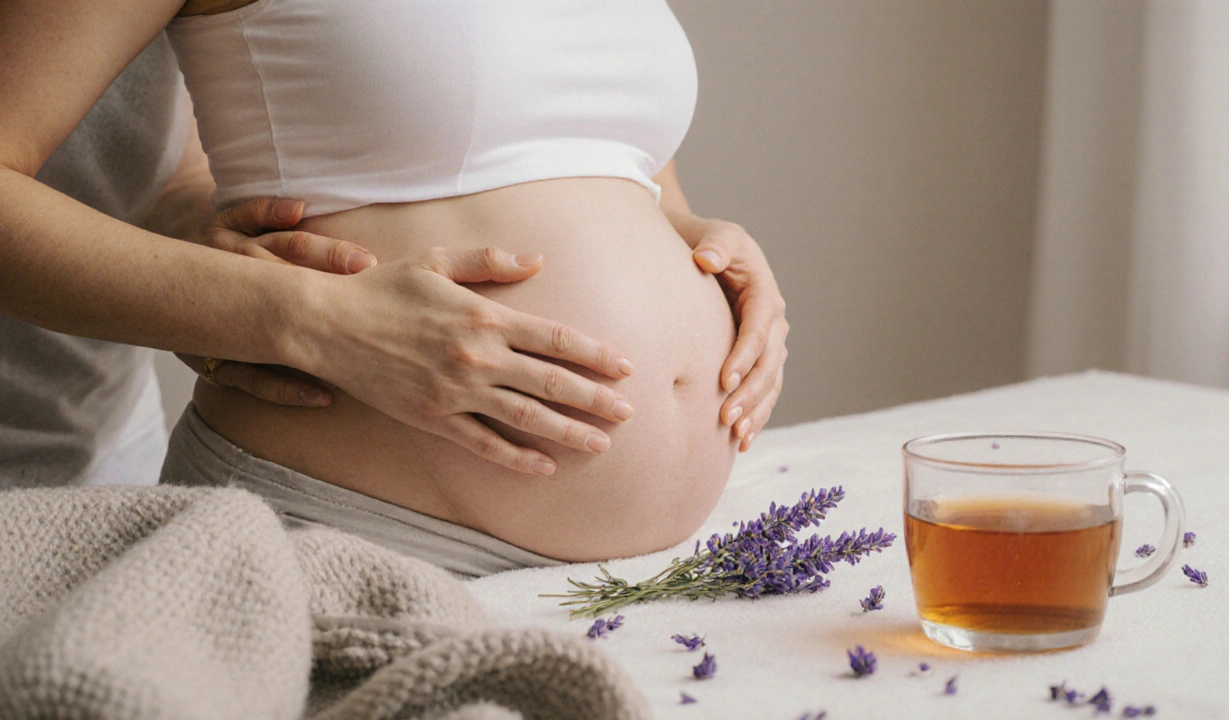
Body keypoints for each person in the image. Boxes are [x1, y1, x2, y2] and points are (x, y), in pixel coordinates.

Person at [0, 0, 789, 577]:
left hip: (660, 567)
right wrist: (316, 322)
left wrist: (707, 249)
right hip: (356, 534)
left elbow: (620, 165)